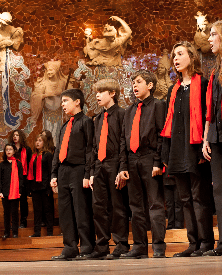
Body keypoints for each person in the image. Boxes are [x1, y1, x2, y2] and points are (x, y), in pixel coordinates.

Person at [161, 41, 214, 257]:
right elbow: (169, 122)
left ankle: (206, 242)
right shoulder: (173, 90)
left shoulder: (200, 83)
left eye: (180, 54)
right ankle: (193, 243)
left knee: (199, 197)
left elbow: (207, 116)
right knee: (184, 198)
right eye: (174, 55)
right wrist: (166, 151)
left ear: (191, 57)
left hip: (195, 147)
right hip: (177, 149)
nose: (175, 58)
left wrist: (204, 142)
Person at [119, 70, 166, 259]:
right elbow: (124, 139)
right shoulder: (130, 110)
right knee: (135, 205)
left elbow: (162, 134)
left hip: (149, 157)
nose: (135, 86)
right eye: (133, 83)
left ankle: (158, 246)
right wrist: (123, 166)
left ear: (150, 85)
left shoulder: (158, 105)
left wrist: (157, 161)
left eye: (138, 82)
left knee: (155, 204)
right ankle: (139, 246)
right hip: (132, 160)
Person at [86, 79, 130, 260]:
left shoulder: (122, 114)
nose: (97, 95)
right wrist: (92, 173)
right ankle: (102, 245)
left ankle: (121, 244)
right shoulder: (97, 119)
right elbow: (94, 148)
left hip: (114, 163)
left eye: (101, 91)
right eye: (96, 92)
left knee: (118, 206)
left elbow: (123, 143)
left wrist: (122, 167)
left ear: (112, 93)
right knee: (98, 207)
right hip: (100, 166)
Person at [50, 88, 95, 261]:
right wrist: (54, 173)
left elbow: (90, 149)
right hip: (63, 171)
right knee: (65, 211)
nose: (62, 104)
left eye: (65, 101)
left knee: (81, 209)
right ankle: (70, 246)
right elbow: (58, 152)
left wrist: (87, 173)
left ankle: (86, 246)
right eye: (62, 101)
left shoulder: (86, 122)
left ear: (77, 102)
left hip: (79, 170)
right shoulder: (64, 126)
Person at [203, 21, 222, 256]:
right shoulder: (215, 70)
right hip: (217, 137)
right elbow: (211, 107)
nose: (210, 39)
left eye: (214, 34)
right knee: (219, 189)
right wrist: (207, 137)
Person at [27, 134, 54, 237]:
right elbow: (31, 172)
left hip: (45, 186)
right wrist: (30, 188)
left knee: (47, 210)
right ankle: (37, 232)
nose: (37, 143)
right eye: (36, 141)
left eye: (40, 141)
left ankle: (50, 232)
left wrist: (49, 187)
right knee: (37, 210)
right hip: (35, 187)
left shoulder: (48, 155)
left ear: (44, 143)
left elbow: (50, 171)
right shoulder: (34, 156)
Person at [0, 143, 23, 240]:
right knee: (6, 213)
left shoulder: (18, 164)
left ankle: (15, 233)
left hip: (15, 192)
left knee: (15, 213)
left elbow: (21, 179)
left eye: (10, 149)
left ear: (14, 151)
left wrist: (20, 190)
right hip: (5, 193)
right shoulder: (2, 164)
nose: (8, 151)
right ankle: (6, 232)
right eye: (7, 149)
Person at [8, 129, 32, 228]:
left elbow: (30, 165)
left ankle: (23, 220)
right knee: (13, 201)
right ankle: (13, 221)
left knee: (23, 200)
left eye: (17, 135)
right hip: (13, 177)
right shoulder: (9, 149)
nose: (15, 137)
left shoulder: (27, 149)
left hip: (24, 178)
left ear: (21, 137)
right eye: (14, 135)